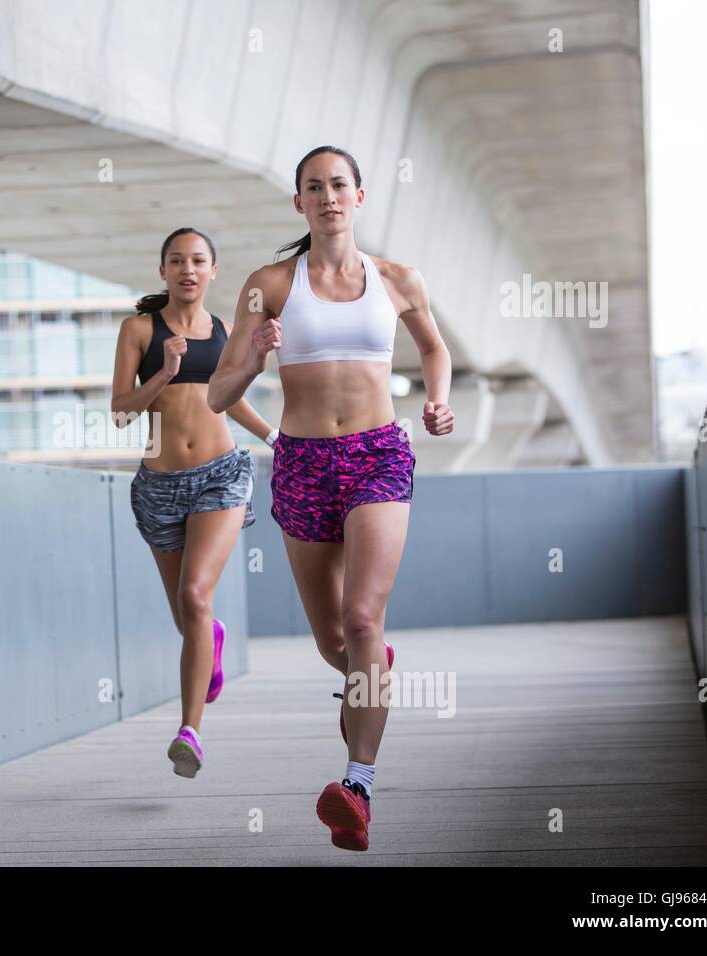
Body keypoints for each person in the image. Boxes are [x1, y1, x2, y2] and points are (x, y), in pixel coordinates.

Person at [207, 146, 455, 850]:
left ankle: (357, 785)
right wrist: (254, 358)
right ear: (299, 204)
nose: (328, 197)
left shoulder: (398, 278)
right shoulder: (269, 285)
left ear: (360, 196)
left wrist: (435, 402)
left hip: (378, 455)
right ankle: (368, 673)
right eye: (313, 188)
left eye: (339, 185)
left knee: (363, 618)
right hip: (302, 463)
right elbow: (219, 395)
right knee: (335, 643)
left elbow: (433, 349)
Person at [111, 227, 277, 779]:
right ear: (163, 271)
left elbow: (231, 404)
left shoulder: (226, 331)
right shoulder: (138, 330)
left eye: (198, 260)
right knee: (190, 614)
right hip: (158, 486)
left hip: (220, 476)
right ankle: (211, 637)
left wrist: (278, 440)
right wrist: (164, 371)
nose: (187, 269)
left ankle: (190, 732)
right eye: (176, 260)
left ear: (213, 271)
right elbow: (120, 412)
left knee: (195, 593)